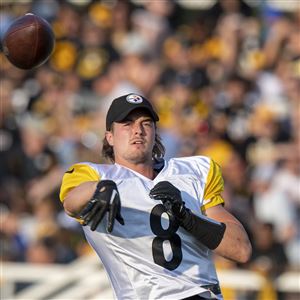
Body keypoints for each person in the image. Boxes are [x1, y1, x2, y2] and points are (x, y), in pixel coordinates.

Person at [60, 93, 252, 300]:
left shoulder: (193, 172)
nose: (138, 131)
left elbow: (240, 249)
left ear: (155, 132)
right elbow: (71, 202)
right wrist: (98, 189)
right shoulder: (94, 176)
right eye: (127, 124)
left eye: (146, 123)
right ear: (110, 137)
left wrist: (189, 219)